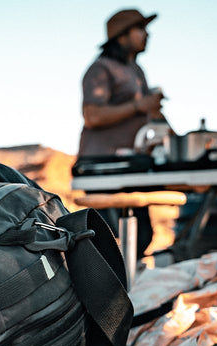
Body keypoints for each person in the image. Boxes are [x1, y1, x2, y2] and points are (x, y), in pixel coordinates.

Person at [77, 8, 166, 258]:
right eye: (140, 29)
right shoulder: (100, 69)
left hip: (129, 166)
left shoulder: (137, 71)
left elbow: (146, 112)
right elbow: (92, 115)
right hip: (102, 166)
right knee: (110, 241)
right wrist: (139, 105)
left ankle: (128, 290)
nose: (146, 35)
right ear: (122, 36)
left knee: (143, 236)